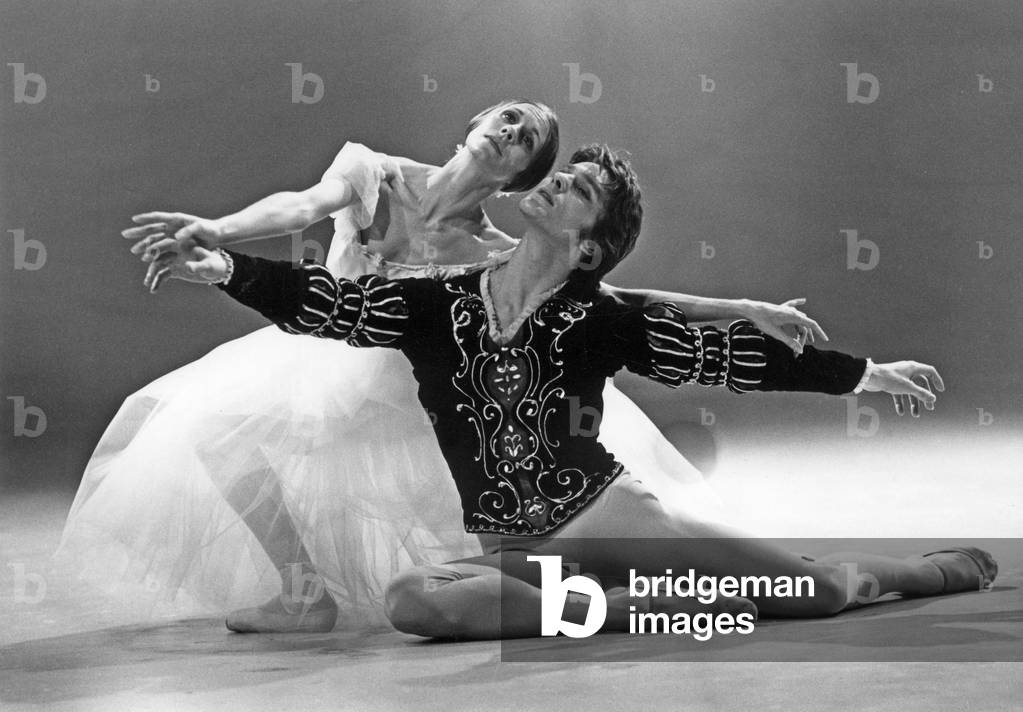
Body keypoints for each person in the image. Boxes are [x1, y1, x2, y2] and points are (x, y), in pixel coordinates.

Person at [151, 142, 996, 639]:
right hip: (509, 551)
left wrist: (865, 375)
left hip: (618, 522)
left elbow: (733, 359)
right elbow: (330, 305)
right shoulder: (436, 304)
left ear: (587, 248)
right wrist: (224, 264)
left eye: (577, 190)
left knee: (818, 592)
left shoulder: (602, 317)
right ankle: (639, 608)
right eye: (564, 174)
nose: (554, 181)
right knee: (413, 600)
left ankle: (936, 570)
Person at [61, 101, 828, 634]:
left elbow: (614, 298)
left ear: (525, 177)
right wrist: (219, 231)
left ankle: (570, 583)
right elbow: (299, 205)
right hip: (326, 352)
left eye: (526, 138)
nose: (509, 131)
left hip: (414, 383)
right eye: (504, 117)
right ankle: (305, 595)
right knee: (213, 428)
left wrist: (739, 307)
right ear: (472, 126)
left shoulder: (498, 252)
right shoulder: (371, 171)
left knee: (487, 487)